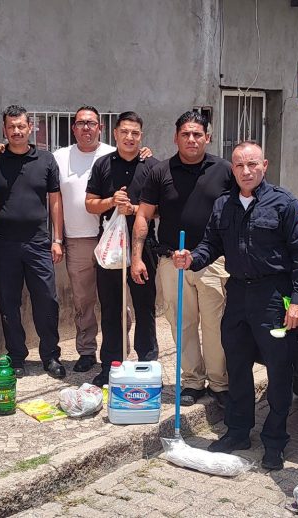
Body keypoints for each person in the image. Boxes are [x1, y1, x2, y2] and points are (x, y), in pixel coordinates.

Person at [172, 141, 298, 470]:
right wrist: (191, 258)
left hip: (274, 297)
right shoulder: (223, 205)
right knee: (236, 366)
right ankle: (238, 431)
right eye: (238, 165)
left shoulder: (285, 203)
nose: (245, 171)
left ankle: (275, 441)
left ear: (264, 165)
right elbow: (210, 245)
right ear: (232, 169)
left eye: (252, 165)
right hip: (236, 295)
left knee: (278, 372)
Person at [132, 111, 232, 407]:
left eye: (197, 134)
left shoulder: (224, 170)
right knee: (182, 323)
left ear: (208, 138)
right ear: (175, 137)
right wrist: (137, 258)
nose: (191, 139)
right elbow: (143, 216)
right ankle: (191, 381)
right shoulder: (160, 172)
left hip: (213, 261)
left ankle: (219, 383)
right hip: (171, 260)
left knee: (214, 324)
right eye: (185, 134)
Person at [0, 105, 66, 379]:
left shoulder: (46, 160)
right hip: (3, 244)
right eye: (11, 127)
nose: (16, 131)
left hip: (39, 243)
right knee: (9, 303)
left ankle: (50, 356)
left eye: (21, 126)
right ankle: (16, 356)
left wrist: (57, 239)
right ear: (4, 130)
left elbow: (55, 201)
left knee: (47, 300)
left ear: (30, 128)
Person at [85, 111, 159, 387]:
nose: (129, 137)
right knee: (111, 307)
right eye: (124, 132)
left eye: (135, 133)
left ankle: (147, 363)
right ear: (115, 134)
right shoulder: (103, 164)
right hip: (110, 248)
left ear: (141, 136)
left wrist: (135, 209)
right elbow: (89, 204)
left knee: (144, 307)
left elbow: (161, 209)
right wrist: (110, 202)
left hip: (144, 248)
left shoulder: (153, 166)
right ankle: (111, 365)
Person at [52, 106, 115, 373]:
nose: (86, 128)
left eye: (91, 123)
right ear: (73, 128)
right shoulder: (59, 157)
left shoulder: (113, 153)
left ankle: (117, 350)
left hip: (111, 237)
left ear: (100, 127)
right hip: (77, 239)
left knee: (115, 300)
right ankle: (86, 351)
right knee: (83, 300)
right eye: (80, 123)